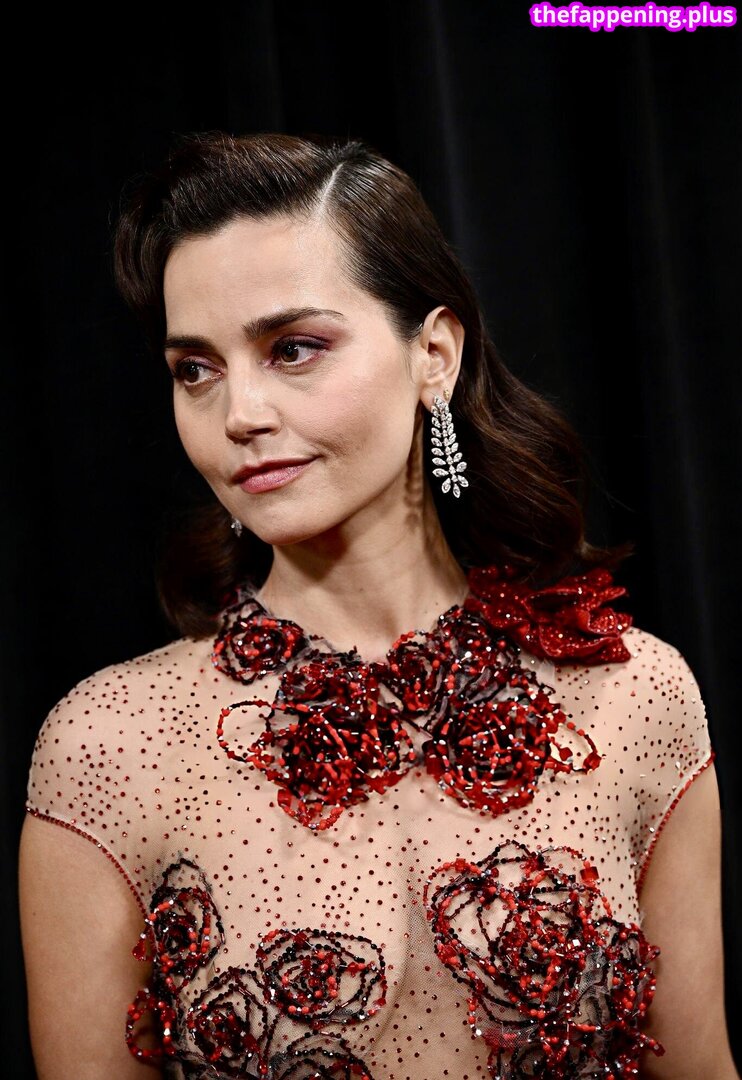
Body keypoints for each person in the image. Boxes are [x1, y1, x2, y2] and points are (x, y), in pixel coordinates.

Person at [18, 131, 737, 1080]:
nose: (239, 413)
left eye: (293, 349)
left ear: (434, 353)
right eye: (196, 369)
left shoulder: (635, 696)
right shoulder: (112, 745)